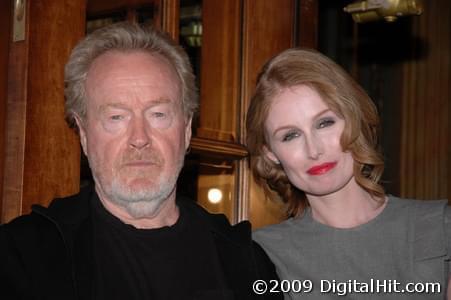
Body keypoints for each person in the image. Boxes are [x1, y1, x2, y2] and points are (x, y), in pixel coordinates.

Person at [0, 22, 282, 300]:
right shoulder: (21, 258)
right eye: (116, 117)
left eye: (158, 114)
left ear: (186, 130)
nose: (139, 138)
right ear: (84, 134)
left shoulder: (246, 263)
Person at [246, 48, 451, 299]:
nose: (314, 150)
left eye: (324, 123)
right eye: (290, 135)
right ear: (271, 153)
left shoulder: (438, 228)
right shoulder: (261, 254)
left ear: (354, 118)